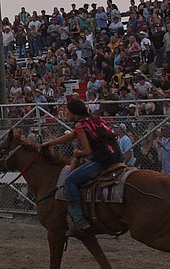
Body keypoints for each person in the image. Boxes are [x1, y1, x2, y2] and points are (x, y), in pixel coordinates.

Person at [41, 98, 123, 236]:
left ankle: (78, 217)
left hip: (102, 161)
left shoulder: (80, 125)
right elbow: (70, 137)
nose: (65, 113)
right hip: (116, 156)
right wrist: (49, 143)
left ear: (73, 112)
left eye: (66, 110)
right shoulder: (94, 119)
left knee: (69, 181)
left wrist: (77, 153)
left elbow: (87, 151)